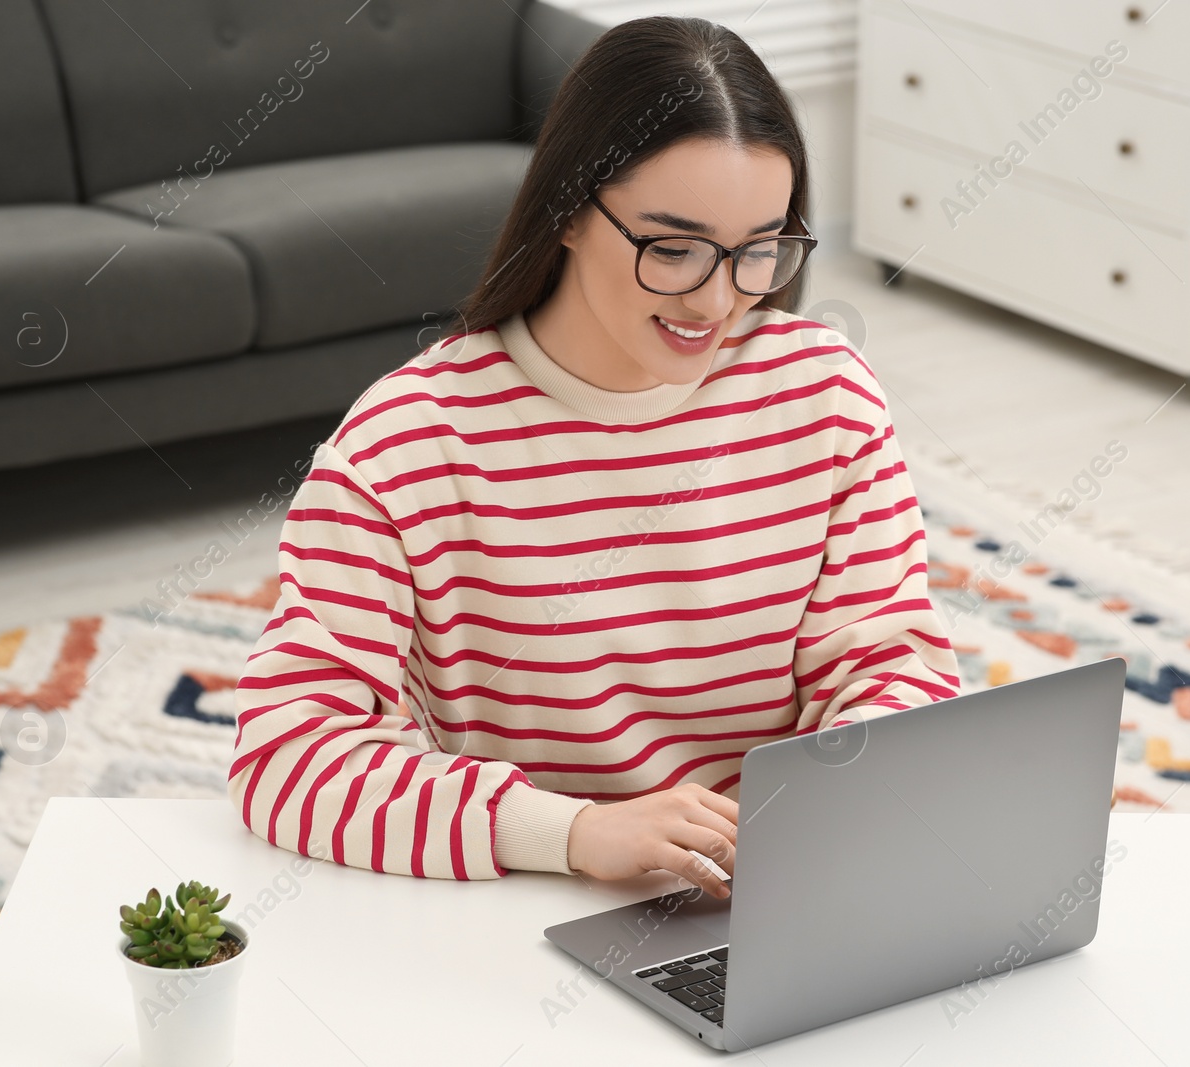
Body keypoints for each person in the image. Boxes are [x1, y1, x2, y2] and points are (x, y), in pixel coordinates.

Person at [227, 15, 961, 900]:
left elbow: (891, 668)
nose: (719, 298)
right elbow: (285, 756)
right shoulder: (401, 448)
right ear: (568, 210)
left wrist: (825, 819)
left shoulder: (824, 394)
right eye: (674, 248)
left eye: (759, 249)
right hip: (530, 902)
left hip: (772, 898)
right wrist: (571, 831)